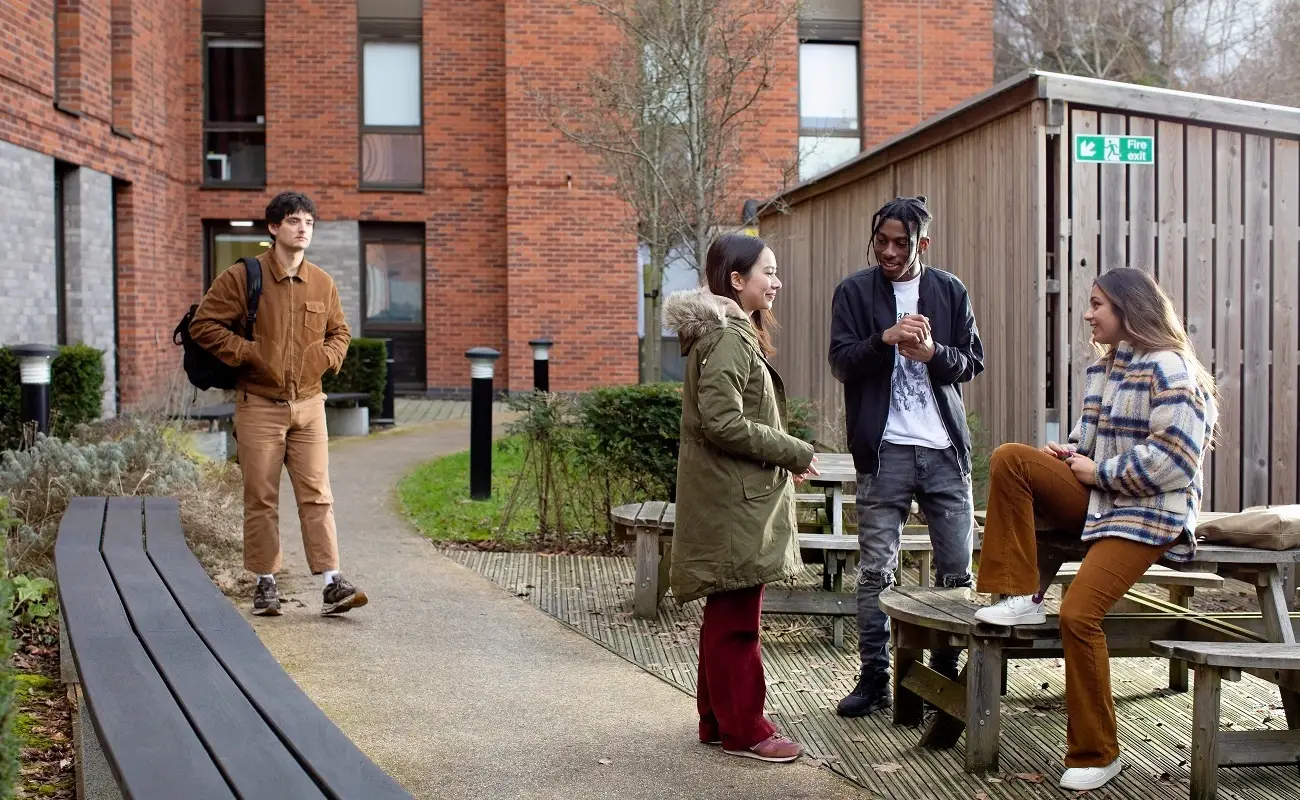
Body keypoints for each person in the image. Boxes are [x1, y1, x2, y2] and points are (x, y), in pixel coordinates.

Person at [973, 267, 1217, 792]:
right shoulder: (1102, 370)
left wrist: (1098, 471)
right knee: (1011, 459)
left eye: (1096, 304)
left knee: (1080, 615)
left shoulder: (1171, 369)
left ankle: (1097, 753)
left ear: (1130, 310)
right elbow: (1091, 437)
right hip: (1100, 500)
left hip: (1150, 514)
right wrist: (1074, 452)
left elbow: (1177, 460)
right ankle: (1020, 593)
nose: (1088, 314)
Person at [661, 233, 820, 763]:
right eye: (767, 272)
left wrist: (782, 455)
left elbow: (730, 418)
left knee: (725, 615)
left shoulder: (726, 333)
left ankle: (716, 722)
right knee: (737, 623)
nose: (776, 282)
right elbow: (723, 421)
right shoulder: (729, 336)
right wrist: (793, 451)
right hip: (734, 503)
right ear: (736, 279)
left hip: (731, 496)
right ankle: (746, 731)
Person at [827, 195, 984, 717]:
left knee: (956, 573)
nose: (889, 252)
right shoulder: (854, 291)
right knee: (876, 571)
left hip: (943, 451)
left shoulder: (949, 290)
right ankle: (875, 680)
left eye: (901, 243)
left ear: (923, 243)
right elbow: (842, 363)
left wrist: (934, 354)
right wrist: (886, 339)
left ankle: (947, 684)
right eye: (881, 242)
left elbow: (971, 363)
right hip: (884, 449)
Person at [191, 191, 368, 617]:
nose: (302, 227)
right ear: (273, 228)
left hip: (309, 406)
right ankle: (265, 582)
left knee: (317, 495)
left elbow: (339, 333)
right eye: (293, 220)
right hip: (259, 406)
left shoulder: (322, 282)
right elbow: (203, 325)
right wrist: (248, 353)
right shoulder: (243, 277)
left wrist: (323, 359)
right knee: (261, 497)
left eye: (308, 221)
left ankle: (331, 582)